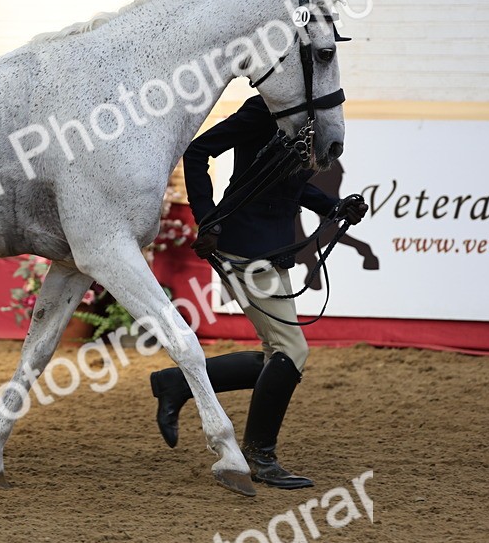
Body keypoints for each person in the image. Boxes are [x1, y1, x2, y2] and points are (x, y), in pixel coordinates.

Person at [150, 95, 367, 489]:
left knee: (277, 353)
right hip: (244, 246)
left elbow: (287, 187)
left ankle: (177, 383)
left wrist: (334, 207)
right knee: (292, 351)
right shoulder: (260, 111)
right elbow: (197, 152)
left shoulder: (303, 119)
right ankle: (259, 455)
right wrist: (207, 220)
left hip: (275, 249)